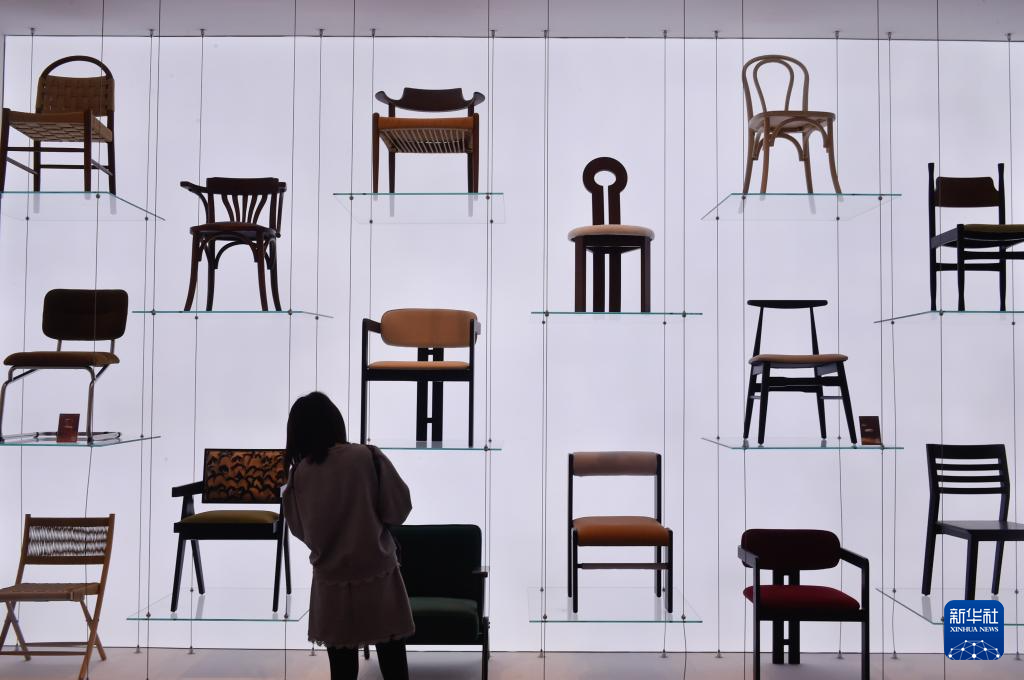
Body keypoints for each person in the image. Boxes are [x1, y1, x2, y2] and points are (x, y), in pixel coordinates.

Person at [283, 391, 414, 680]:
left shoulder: (300, 475)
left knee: (342, 671)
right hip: (378, 575)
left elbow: (301, 530)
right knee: (394, 667)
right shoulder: (367, 457)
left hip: (331, 582)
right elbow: (399, 508)